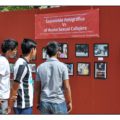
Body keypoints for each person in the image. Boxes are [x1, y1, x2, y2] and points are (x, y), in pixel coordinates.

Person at [36, 41, 72, 114]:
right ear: (57, 52)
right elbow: (67, 87)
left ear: (47, 52)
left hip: (44, 102)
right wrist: (69, 102)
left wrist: (37, 102)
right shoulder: (63, 67)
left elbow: (37, 88)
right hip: (59, 102)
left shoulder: (40, 67)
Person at [8, 38, 37, 114]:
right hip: (23, 106)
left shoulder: (24, 63)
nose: (36, 52)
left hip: (25, 105)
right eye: (35, 49)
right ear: (32, 50)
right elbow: (15, 85)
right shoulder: (22, 65)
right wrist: (10, 105)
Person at [0, 39, 18, 114]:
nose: (16, 51)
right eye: (15, 49)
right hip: (2, 99)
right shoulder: (3, 61)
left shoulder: (3, 60)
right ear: (9, 50)